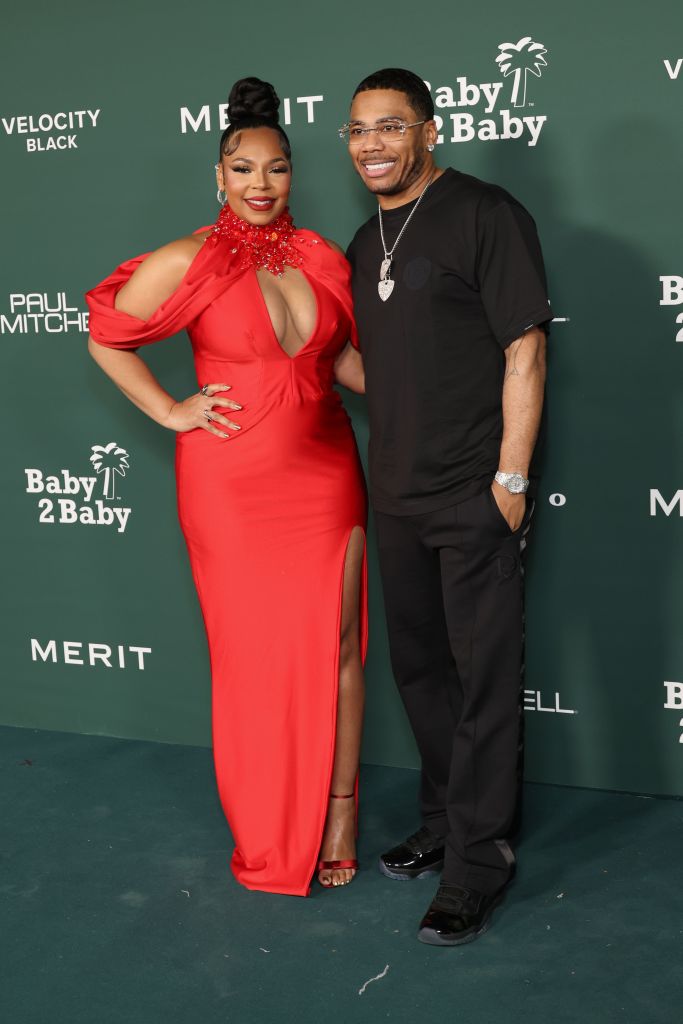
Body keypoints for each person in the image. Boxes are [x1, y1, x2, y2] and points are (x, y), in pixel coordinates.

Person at [86, 77, 367, 896]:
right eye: (242, 169)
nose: (259, 184)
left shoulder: (322, 257)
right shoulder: (190, 258)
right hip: (232, 484)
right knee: (250, 660)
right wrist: (170, 410)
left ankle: (339, 816)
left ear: (293, 174)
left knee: (339, 646)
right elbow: (106, 336)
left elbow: (346, 365)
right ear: (218, 176)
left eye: (275, 168)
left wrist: (437, 387)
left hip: (325, 471)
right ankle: (269, 830)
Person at [343, 68, 552, 944]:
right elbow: (376, 369)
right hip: (393, 496)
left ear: (430, 130)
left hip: (473, 493)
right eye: (358, 130)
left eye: (391, 126)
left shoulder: (484, 213)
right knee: (421, 676)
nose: (371, 145)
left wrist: (510, 482)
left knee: (481, 686)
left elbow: (525, 350)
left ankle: (478, 864)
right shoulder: (363, 242)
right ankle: (441, 823)